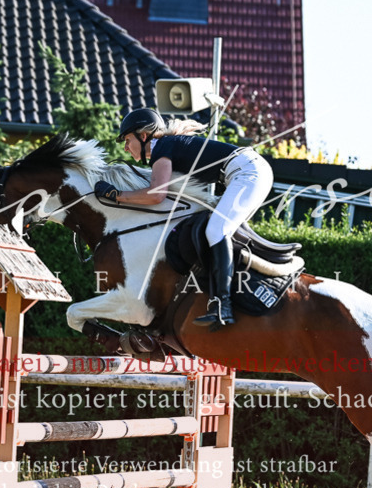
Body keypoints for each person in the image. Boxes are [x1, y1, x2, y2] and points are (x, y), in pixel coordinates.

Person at [96, 108, 274, 327]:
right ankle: (239, 293)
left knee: (217, 231)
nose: (125, 147)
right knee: (215, 231)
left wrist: (116, 196)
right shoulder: (166, 147)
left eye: (127, 140)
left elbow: (156, 195)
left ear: (143, 136)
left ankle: (222, 304)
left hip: (247, 172)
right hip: (246, 170)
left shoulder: (162, 147)